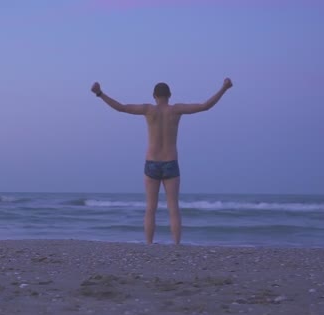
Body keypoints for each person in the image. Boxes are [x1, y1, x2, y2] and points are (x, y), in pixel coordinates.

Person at [91, 78, 233, 244]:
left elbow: (121, 108)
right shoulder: (176, 110)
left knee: (151, 209)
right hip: (170, 162)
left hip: (151, 163)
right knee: (173, 208)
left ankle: (149, 245)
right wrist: (224, 88)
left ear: (154, 96)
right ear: (170, 95)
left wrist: (100, 94)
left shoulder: (148, 109)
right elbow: (205, 106)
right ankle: (176, 246)